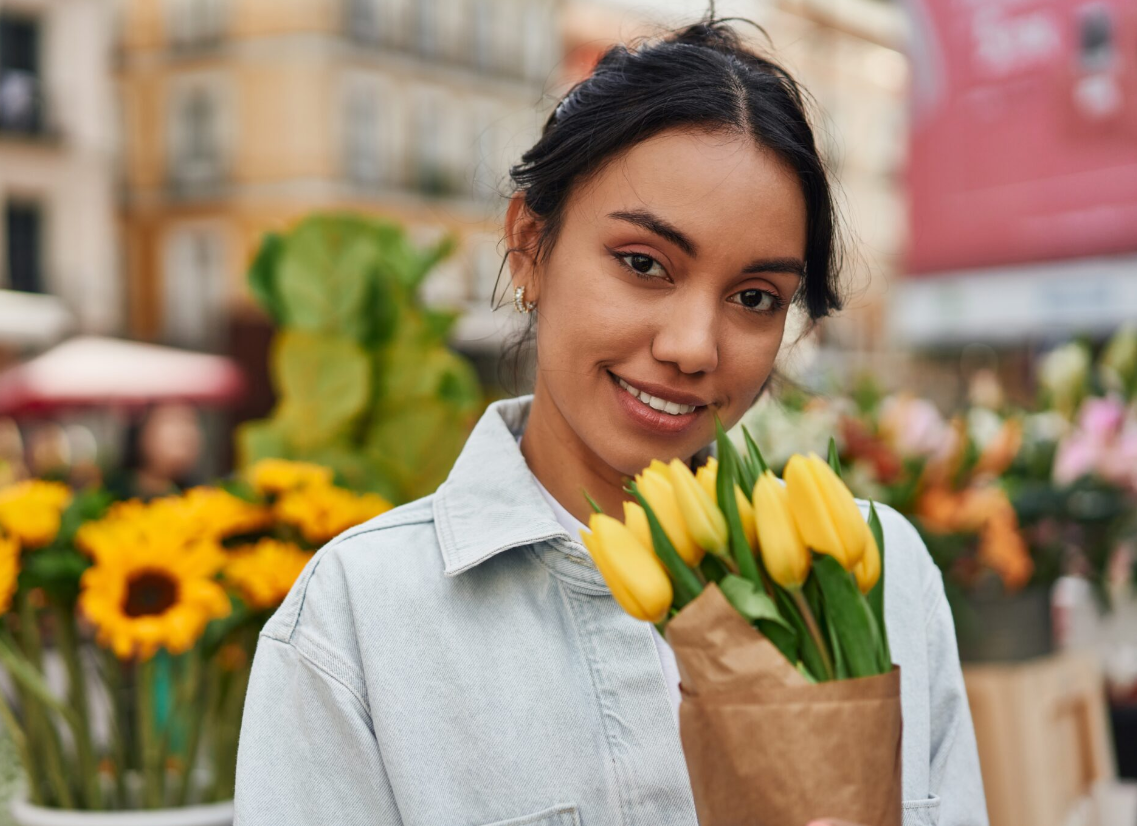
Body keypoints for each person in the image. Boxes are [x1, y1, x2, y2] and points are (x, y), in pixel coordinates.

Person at [235, 16, 987, 826]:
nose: (693, 347)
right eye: (643, 265)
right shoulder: (361, 618)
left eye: (755, 298)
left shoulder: (877, 573)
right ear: (529, 244)